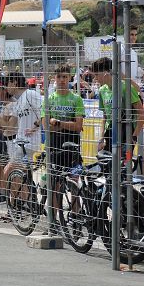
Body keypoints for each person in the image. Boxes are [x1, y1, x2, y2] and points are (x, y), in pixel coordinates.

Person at [43, 64, 85, 233]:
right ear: (55, 78)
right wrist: (65, 125)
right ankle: (54, 222)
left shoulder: (76, 99)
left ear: (70, 79)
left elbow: (79, 125)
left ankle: (76, 218)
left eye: (65, 77)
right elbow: (46, 125)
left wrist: (59, 123)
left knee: (74, 183)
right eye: (59, 77)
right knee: (55, 185)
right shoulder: (49, 99)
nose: (61, 80)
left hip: (73, 147)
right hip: (54, 147)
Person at [90, 56, 144, 158]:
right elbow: (105, 117)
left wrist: (134, 137)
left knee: (127, 163)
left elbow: (142, 114)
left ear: (106, 72)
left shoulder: (125, 87)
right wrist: (102, 137)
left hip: (127, 135)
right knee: (106, 166)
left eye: (97, 75)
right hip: (110, 134)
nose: (95, 78)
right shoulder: (102, 90)